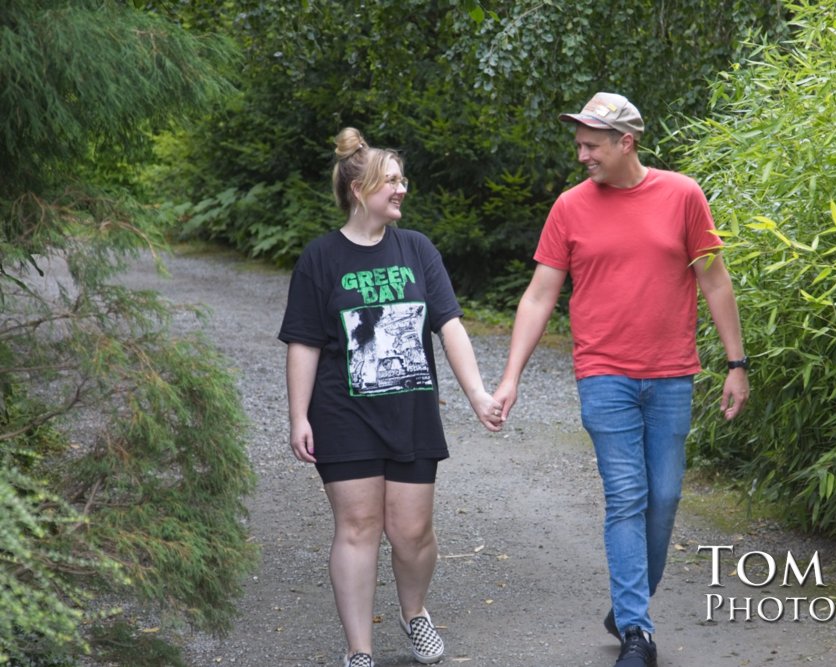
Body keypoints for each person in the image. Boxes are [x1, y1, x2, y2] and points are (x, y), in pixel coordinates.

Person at [492, 93, 750, 667]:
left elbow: (715, 283)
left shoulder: (682, 195)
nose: (581, 154)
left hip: (671, 375)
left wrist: (737, 364)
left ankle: (627, 601)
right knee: (627, 496)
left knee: (665, 496)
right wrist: (510, 377)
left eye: (591, 145)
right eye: (579, 144)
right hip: (603, 373)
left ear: (624, 142)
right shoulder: (569, 208)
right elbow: (539, 296)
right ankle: (637, 630)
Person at [279, 127, 503, 667]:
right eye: (391, 181)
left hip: (411, 410)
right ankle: (360, 650)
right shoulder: (321, 258)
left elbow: (448, 325)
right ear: (359, 191)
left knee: (412, 532)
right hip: (342, 411)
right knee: (357, 528)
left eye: (404, 180)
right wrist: (297, 416)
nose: (401, 190)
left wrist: (476, 394)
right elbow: (304, 343)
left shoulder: (417, 250)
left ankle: (414, 613)